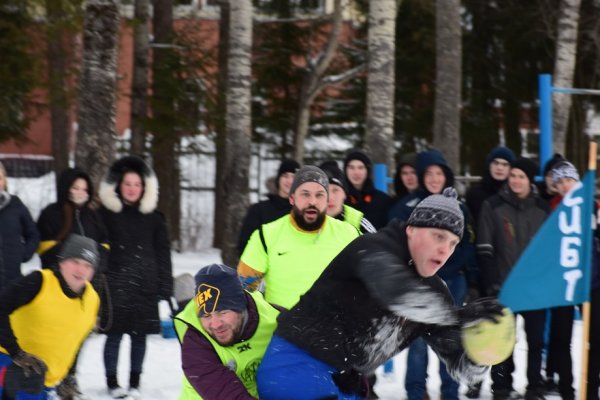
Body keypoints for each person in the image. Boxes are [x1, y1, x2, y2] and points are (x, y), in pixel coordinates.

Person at [256, 188, 505, 400]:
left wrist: (483, 345)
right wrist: (456, 316)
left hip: (344, 383)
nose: (445, 249)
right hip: (293, 364)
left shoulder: (434, 292)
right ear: (412, 229)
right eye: (438, 236)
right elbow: (396, 291)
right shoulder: (373, 248)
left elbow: (463, 369)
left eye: (453, 243)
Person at [389, 149, 477, 400]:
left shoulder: (461, 207)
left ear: (446, 176)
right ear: (421, 176)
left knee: (449, 341)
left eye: (439, 173)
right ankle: (415, 392)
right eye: (429, 173)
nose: (434, 178)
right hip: (417, 283)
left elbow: (467, 244)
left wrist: (455, 270)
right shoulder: (405, 206)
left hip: (453, 282)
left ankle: (450, 392)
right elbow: (398, 242)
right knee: (417, 342)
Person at [98, 155, 173, 399]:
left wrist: (165, 285)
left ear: (145, 188)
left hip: (145, 283)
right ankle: (112, 382)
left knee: (139, 338)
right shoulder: (106, 215)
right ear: (118, 186)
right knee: (114, 335)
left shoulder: (154, 218)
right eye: (127, 183)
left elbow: (163, 253)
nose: (132, 189)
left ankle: (134, 383)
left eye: (137, 184)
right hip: (115, 284)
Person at [477, 157, 550, 400]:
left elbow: (549, 250)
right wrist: (491, 282)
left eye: (522, 176)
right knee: (502, 341)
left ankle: (535, 387)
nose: (516, 181)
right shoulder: (493, 205)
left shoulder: (542, 208)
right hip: (504, 285)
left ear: (530, 180)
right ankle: (501, 386)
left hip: (534, 288)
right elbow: (485, 247)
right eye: (513, 176)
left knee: (536, 340)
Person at [237, 165, 359, 310]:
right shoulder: (266, 235)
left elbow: (367, 281)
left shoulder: (349, 234)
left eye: (319, 195)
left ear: (327, 200)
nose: (312, 202)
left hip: (335, 328)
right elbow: (243, 289)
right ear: (292, 198)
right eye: (305, 194)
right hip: (282, 328)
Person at [36, 167, 109, 400]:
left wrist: (95, 265)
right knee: (54, 334)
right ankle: (48, 376)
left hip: (86, 289)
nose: (80, 192)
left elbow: (104, 246)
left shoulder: (93, 215)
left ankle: (69, 376)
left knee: (76, 335)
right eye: (75, 187)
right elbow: (44, 250)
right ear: (65, 188)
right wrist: (68, 260)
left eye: (84, 189)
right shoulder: (51, 213)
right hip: (55, 288)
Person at [0, 234, 100, 400]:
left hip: (43, 381)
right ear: (62, 262)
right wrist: (16, 353)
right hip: (9, 367)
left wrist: (69, 375)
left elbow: (76, 341)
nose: (81, 270)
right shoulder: (39, 282)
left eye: (87, 265)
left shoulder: (93, 299)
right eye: (75, 262)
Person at [173, 264, 280, 399]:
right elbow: (224, 393)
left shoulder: (274, 319)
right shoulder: (195, 337)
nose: (216, 324)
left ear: (241, 308)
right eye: (207, 316)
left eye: (223, 312)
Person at [463, 145, 514, 399]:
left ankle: (502, 383)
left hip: (504, 271)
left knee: (503, 330)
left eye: (505, 165)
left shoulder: (512, 193)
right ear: (489, 166)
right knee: (479, 330)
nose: (500, 168)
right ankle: (474, 381)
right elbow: (470, 233)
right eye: (496, 163)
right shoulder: (475, 193)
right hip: (480, 268)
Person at [237, 159, 300, 255]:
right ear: (278, 179)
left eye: (294, 177)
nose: (290, 181)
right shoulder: (259, 210)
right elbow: (245, 245)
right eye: (285, 176)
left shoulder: (303, 211)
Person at [0, 161, 39, 291]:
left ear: (4, 181)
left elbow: (33, 233)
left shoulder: (15, 204)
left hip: (12, 281)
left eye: (0, 178)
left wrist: (24, 254)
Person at [319, 161, 376, 234]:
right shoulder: (304, 221)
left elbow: (379, 244)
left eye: (335, 190)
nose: (330, 198)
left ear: (344, 194)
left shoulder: (358, 223)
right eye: (324, 191)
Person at [343, 150, 393, 230]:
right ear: (345, 170)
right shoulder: (340, 200)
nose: (356, 172)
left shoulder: (383, 200)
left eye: (360, 167)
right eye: (351, 167)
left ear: (367, 170)